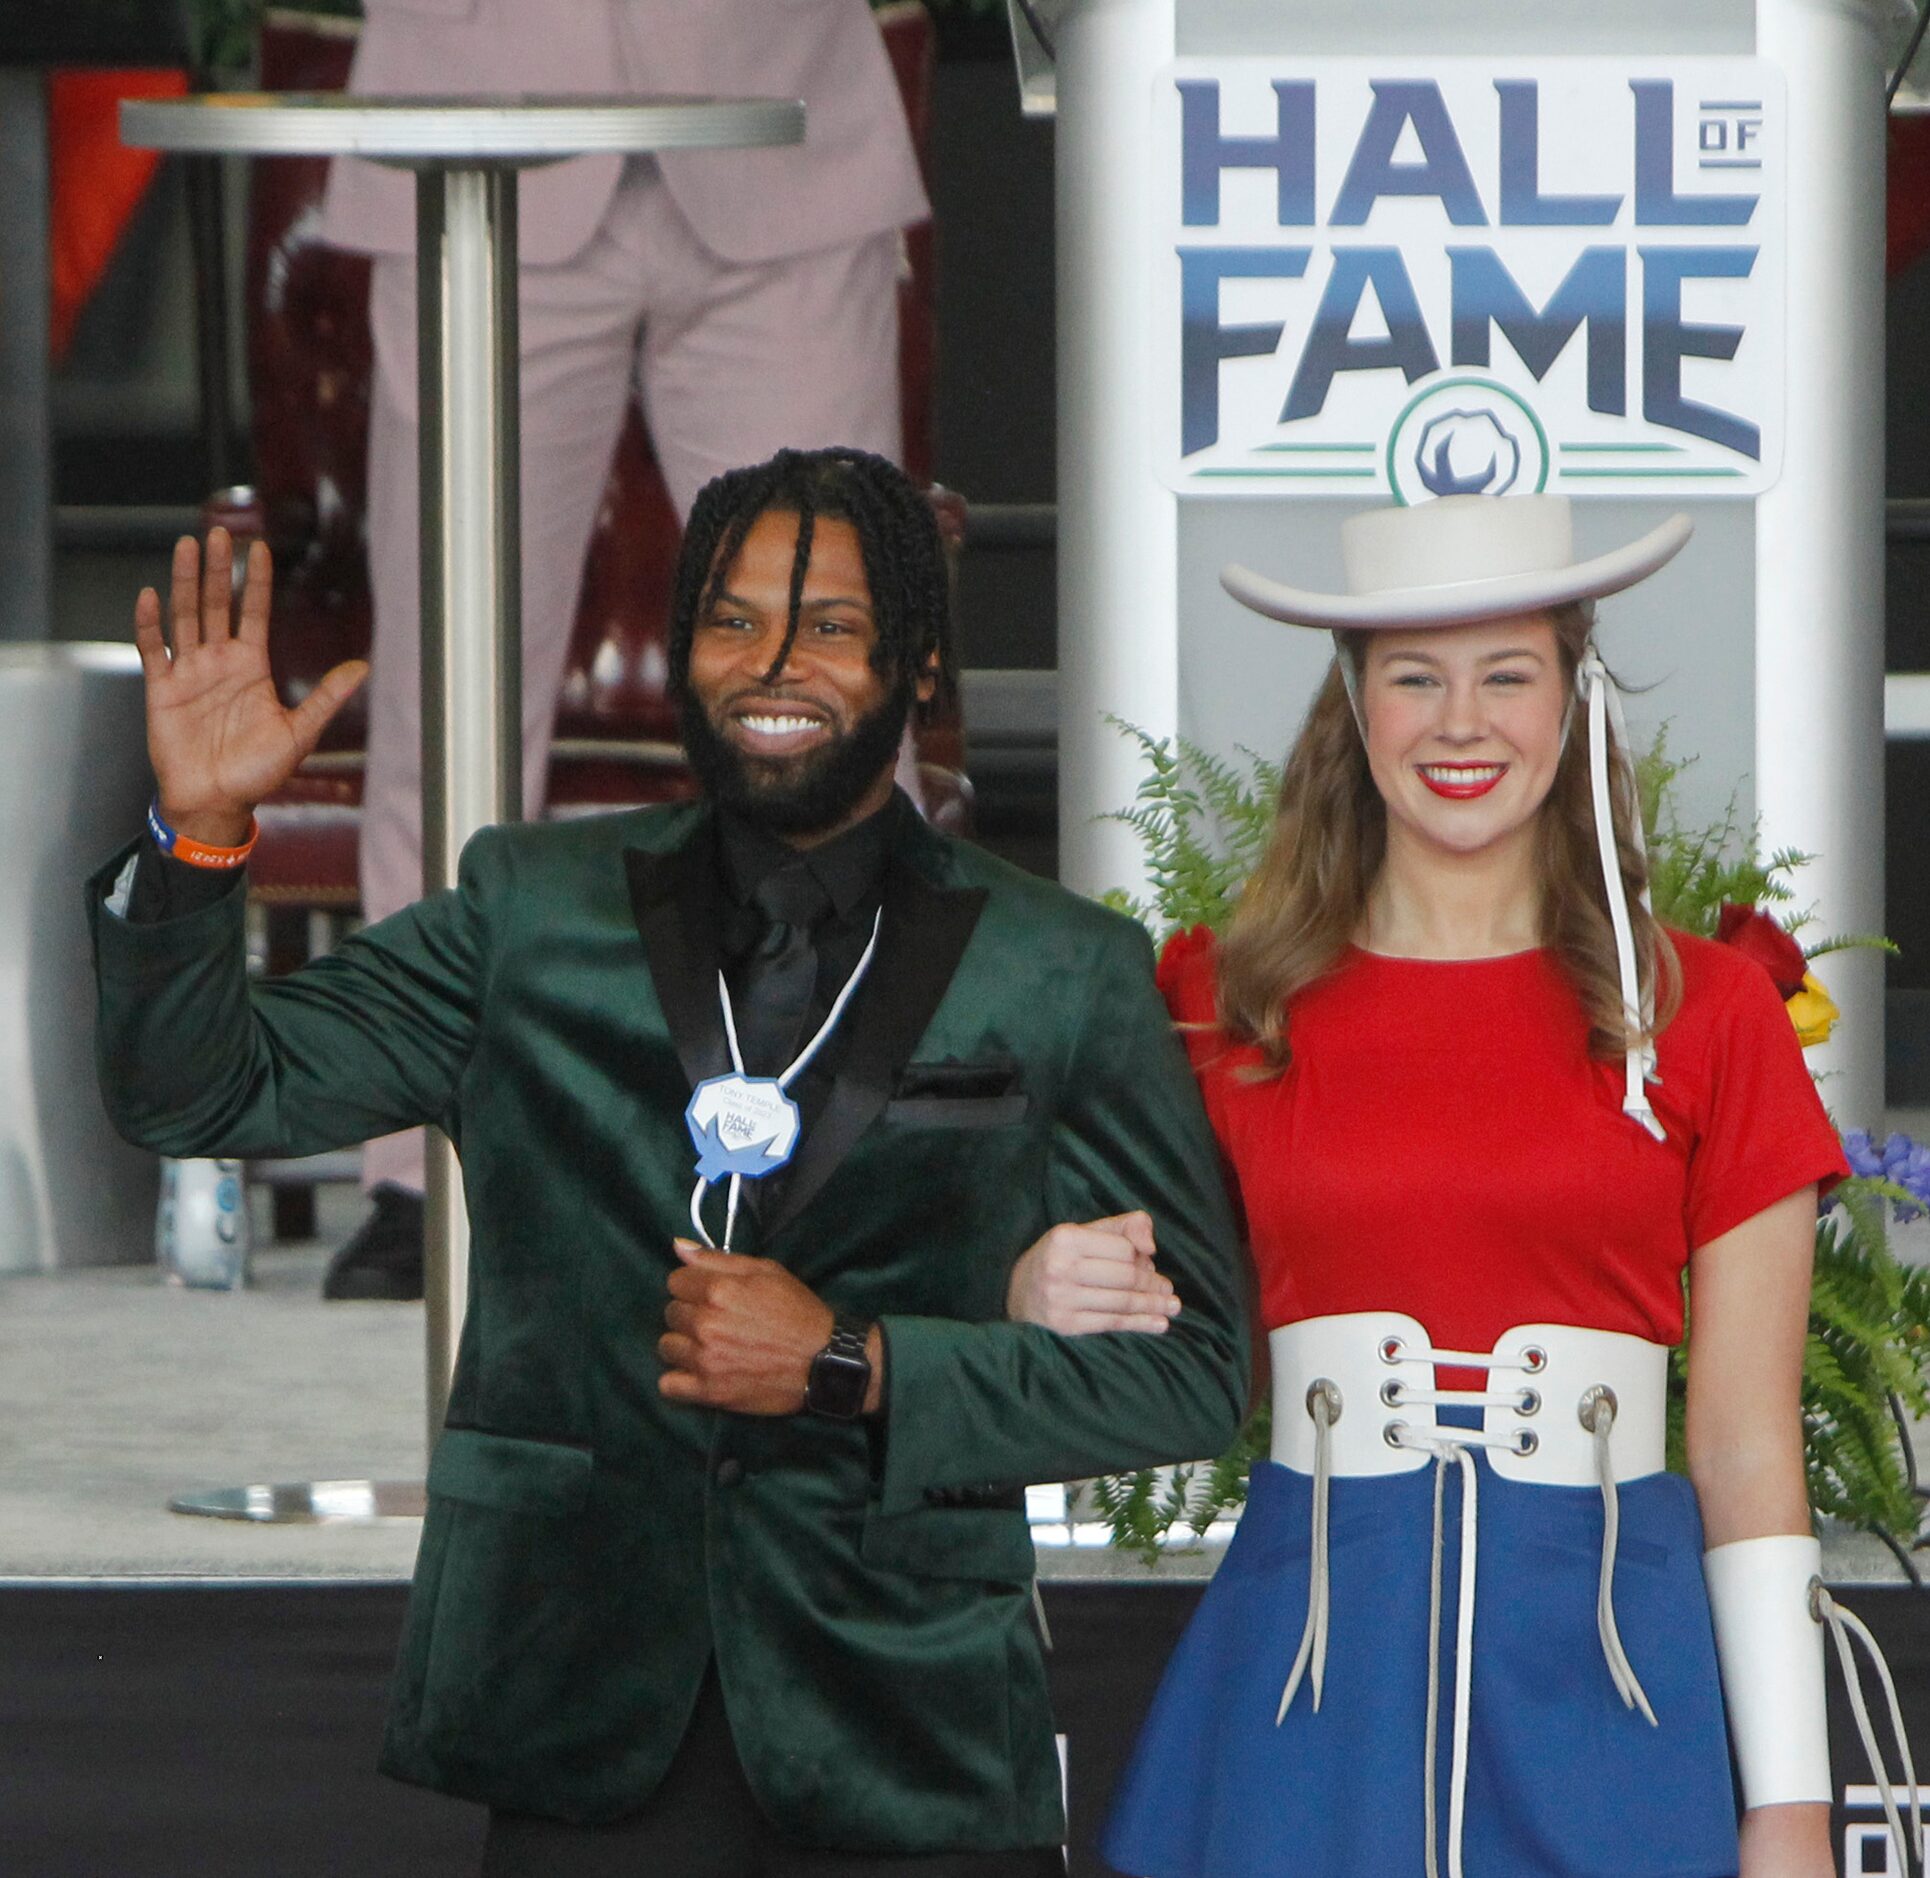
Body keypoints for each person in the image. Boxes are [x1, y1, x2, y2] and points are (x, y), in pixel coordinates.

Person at [89, 447, 1246, 1874]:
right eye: (730, 618)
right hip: (580, 1703)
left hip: (908, 1718)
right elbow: (198, 1090)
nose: (772, 661)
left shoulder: (1058, 967)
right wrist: (201, 839)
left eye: (827, 624)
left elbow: (1194, 1372)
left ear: (920, 663)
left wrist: (859, 1363)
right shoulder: (529, 911)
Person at [1091, 493, 1901, 1878]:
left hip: (1610, 1687)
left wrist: (1786, 1804)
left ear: (1574, 697)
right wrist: (1044, 1279)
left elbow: (1745, 1445)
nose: (1458, 721)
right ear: (1352, 707)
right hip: (1306, 1693)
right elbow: (1160, 1347)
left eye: (1505, 674)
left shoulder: (1705, 1016)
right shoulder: (1224, 1010)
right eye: (1414, 676)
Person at [318, 0, 932, 1299]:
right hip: (469, 128)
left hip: (783, 134)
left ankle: (885, 1131)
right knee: (452, 690)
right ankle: (421, 1162)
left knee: (834, 669)